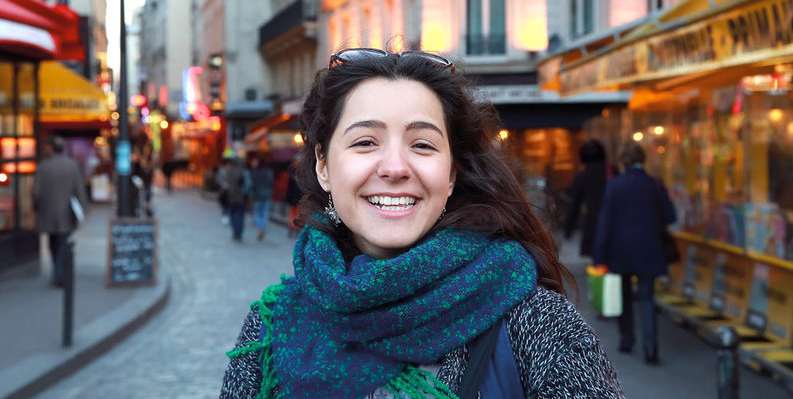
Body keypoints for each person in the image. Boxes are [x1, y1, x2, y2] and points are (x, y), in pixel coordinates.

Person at [220, 48, 624, 398]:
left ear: (450, 175)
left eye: (422, 145)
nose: (395, 168)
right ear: (323, 166)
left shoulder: (536, 324)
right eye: (365, 142)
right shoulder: (272, 325)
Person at [592, 141, 676, 365]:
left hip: (621, 250)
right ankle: (651, 347)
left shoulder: (614, 185)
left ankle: (626, 340)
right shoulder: (654, 184)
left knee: (625, 296)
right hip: (650, 248)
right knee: (647, 298)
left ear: (623, 161)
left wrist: (599, 253)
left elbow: (605, 222)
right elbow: (670, 216)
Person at [33, 135, 87, 287]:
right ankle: (60, 273)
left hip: (48, 212)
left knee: (53, 243)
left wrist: (36, 207)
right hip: (66, 212)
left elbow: (36, 192)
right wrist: (83, 209)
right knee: (64, 242)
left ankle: (57, 273)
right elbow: (79, 189)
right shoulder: (72, 165)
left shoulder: (43, 166)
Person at [564, 139, 612, 258]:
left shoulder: (583, 175)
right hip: (614, 223)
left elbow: (575, 206)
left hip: (594, 225)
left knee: (598, 267)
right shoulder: (613, 171)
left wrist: (568, 229)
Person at [218, 156, 251, 242]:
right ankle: (239, 232)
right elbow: (248, 184)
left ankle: (235, 232)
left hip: (231, 196)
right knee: (240, 215)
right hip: (241, 197)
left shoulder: (228, 171)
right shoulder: (244, 172)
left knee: (233, 214)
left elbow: (222, 182)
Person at [249, 156, 274, 241]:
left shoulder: (255, 173)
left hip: (258, 196)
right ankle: (262, 228)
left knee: (257, 213)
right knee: (265, 212)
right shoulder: (269, 172)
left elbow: (252, 185)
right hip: (267, 195)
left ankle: (260, 227)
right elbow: (271, 183)